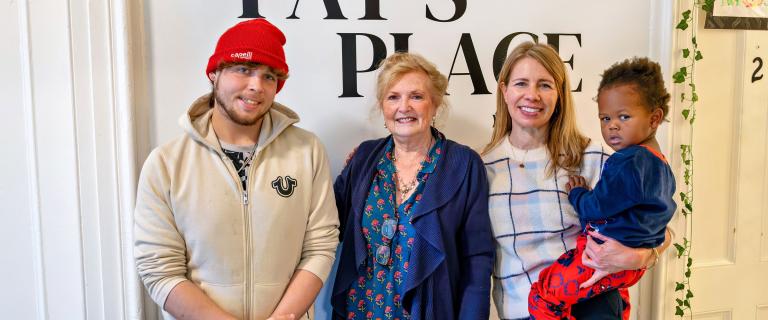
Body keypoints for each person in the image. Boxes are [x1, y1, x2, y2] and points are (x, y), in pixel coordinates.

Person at [133, 19, 339, 320]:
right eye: (244, 69)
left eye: (269, 76)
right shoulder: (166, 164)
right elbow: (159, 269)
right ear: (214, 73)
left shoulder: (306, 151)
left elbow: (320, 245)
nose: (256, 85)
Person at [481, 42, 672, 320]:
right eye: (521, 83)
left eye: (545, 85)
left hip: (590, 306)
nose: (532, 95)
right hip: (521, 312)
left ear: (559, 94)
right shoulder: (482, 168)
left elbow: (659, 225)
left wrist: (642, 256)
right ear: (504, 91)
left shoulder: (593, 157)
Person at [331, 52, 495, 319]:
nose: (404, 107)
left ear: (435, 104)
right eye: (393, 97)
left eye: (416, 97)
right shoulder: (364, 158)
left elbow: (477, 258)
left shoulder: (463, 164)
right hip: (360, 310)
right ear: (382, 106)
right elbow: (325, 225)